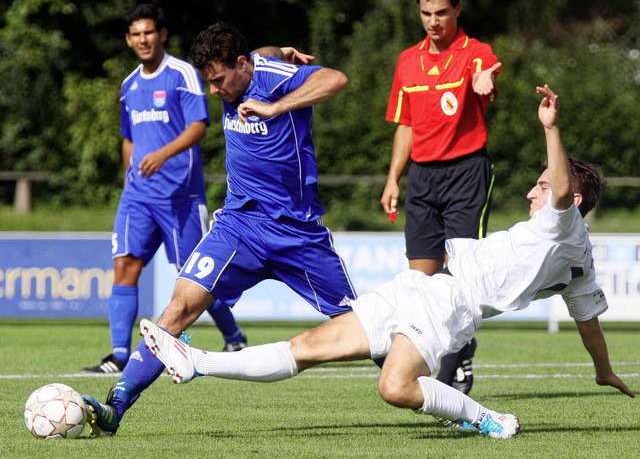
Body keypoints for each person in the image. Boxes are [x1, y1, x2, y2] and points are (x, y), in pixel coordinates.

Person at [139, 85, 635, 440]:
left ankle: (487, 418)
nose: (534, 190)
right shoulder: (574, 256)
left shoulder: (562, 224)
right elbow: (588, 321)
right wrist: (603, 371)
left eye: (543, 185)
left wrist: (552, 128)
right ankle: (198, 362)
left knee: (394, 388)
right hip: (421, 285)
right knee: (308, 346)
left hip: (451, 302)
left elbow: (563, 191)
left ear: (573, 197)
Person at [81, 21, 357, 435]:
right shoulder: (250, 67)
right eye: (209, 82)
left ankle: (437, 390)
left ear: (243, 65)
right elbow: (264, 52)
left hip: (297, 231)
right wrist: (281, 47)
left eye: (218, 80)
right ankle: (114, 407)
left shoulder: (273, 80)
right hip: (238, 225)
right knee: (178, 308)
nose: (215, 91)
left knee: (363, 328)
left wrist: (278, 106)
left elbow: (335, 78)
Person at [81, 5, 248, 374]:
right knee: (125, 265)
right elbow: (128, 137)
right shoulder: (129, 84)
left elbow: (198, 126)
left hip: (180, 196)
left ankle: (234, 337)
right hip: (139, 196)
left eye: (149, 32)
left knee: (196, 277)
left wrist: (162, 154)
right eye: (136, 34)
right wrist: (130, 173)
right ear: (128, 39)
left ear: (162, 34)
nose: (143, 39)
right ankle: (119, 355)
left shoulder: (182, 74)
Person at [380, 0, 502, 394]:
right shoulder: (406, 61)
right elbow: (406, 125)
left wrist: (484, 80)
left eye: (442, 13)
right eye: (427, 14)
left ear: (457, 10)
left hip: (467, 170)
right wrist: (393, 178)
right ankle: (443, 353)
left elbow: (487, 72)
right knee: (421, 280)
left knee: (460, 273)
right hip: (422, 177)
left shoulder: (475, 52)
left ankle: (454, 366)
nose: (434, 21)